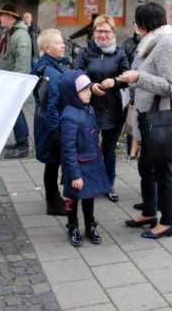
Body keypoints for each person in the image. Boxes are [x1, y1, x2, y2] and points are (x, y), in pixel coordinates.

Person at [117, 2, 172, 239]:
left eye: (137, 23)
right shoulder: (154, 42)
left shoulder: (166, 45)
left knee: (162, 171)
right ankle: (149, 212)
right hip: (149, 119)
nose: (135, 28)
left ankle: (168, 222)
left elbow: (170, 86)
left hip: (161, 120)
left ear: (144, 24)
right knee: (145, 166)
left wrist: (139, 77)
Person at [74, 14, 130, 202]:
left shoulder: (120, 53)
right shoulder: (85, 52)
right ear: (93, 32)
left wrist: (114, 81)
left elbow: (127, 77)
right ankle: (90, 182)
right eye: (98, 30)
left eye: (106, 31)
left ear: (113, 32)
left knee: (109, 149)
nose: (102, 35)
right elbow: (77, 74)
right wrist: (90, 86)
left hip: (113, 109)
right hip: (89, 108)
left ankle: (108, 184)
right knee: (88, 147)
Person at [59, 70, 110, 246]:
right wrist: (74, 175)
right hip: (77, 167)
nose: (89, 92)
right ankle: (72, 226)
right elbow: (68, 149)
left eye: (89, 88)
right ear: (72, 93)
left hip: (91, 161)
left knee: (89, 196)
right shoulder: (69, 117)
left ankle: (90, 225)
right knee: (73, 198)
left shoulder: (88, 108)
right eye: (84, 90)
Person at [32, 29, 68, 216]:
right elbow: (49, 106)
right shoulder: (48, 71)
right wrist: (56, 133)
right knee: (52, 163)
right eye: (57, 42)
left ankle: (54, 198)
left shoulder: (53, 67)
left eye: (62, 41)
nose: (62, 45)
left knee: (53, 163)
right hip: (50, 126)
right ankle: (53, 202)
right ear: (46, 48)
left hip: (51, 124)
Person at [0, 3, 33, 159]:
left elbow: (23, 62)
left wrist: (16, 83)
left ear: (11, 17)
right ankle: (20, 142)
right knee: (15, 112)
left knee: (16, 111)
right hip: (9, 80)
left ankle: (23, 145)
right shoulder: (10, 33)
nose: (0, 19)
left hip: (15, 81)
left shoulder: (19, 35)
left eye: (3, 16)